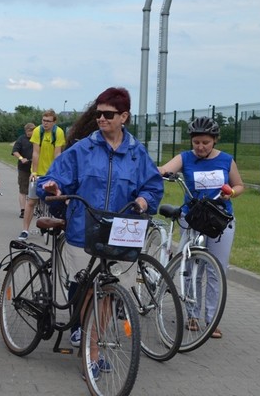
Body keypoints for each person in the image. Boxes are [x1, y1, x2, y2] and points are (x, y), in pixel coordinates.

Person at [37, 87, 163, 380]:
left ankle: (91, 344)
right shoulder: (83, 149)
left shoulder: (136, 153)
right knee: (90, 292)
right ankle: (90, 351)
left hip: (122, 231)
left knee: (107, 295)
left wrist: (145, 199)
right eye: (99, 114)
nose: (101, 119)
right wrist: (53, 186)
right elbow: (55, 175)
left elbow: (153, 186)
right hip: (84, 230)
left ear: (124, 117)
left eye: (108, 114)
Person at [158, 116, 244, 339]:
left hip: (220, 220)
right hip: (193, 218)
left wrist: (231, 193)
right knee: (191, 266)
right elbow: (165, 169)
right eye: (196, 142)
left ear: (214, 140)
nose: (200, 147)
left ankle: (212, 319)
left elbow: (239, 185)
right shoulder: (185, 158)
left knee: (216, 270)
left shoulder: (226, 160)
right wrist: (160, 171)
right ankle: (192, 316)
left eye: (205, 142)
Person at [18, 109, 65, 240]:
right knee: (31, 201)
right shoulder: (38, 131)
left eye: (48, 121)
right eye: (44, 120)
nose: (45, 124)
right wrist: (33, 171)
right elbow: (36, 153)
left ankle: (54, 226)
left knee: (55, 200)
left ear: (54, 122)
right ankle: (25, 230)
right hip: (38, 171)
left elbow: (57, 154)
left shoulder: (59, 132)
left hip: (51, 172)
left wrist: (56, 173)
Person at [12, 122, 35, 218]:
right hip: (24, 168)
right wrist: (21, 158)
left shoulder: (38, 139)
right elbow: (15, 151)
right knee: (23, 190)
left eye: (33, 131)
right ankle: (23, 210)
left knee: (34, 190)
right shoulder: (21, 139)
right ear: (26, 131)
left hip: (35, 168)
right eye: (29, 131)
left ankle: (32, 209)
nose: (31, 133)